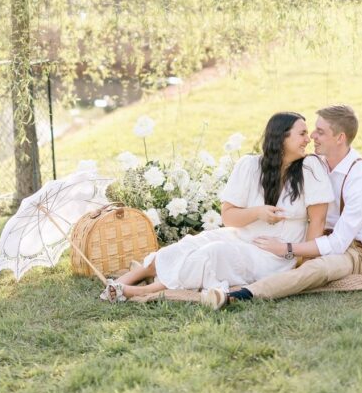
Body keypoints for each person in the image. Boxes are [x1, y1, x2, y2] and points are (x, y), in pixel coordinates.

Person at [99, 111, 334, 302]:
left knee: (212, 254)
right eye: (302, 134)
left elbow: (318, 221)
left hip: (274, 256)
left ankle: (146, 291)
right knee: (186, 245)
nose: (308, 139)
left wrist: (301, 261)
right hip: (240, 236)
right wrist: (257, 212)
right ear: (281, 137)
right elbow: (229, 217)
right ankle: (126, 280)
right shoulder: (250, 166)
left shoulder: (310, 169)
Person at [202, 104, 362, 309]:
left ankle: (240, 295)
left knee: (318, 269)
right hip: (313, 239)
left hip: (354, 251)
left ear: (340, 138)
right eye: (312, 130)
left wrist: (287, 249)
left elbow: (338, 243)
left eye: (320, 132)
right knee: (215, 243)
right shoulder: (317, 163)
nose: (312, 136)